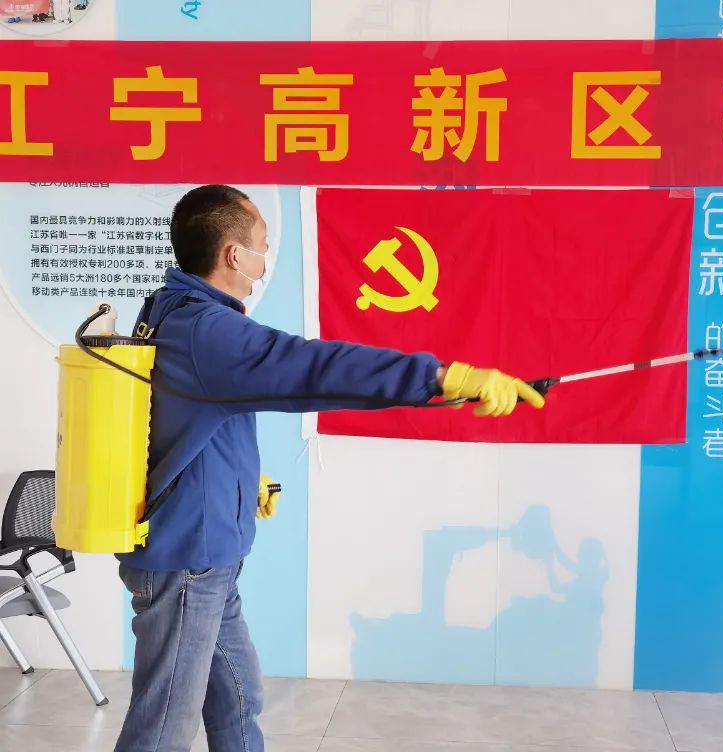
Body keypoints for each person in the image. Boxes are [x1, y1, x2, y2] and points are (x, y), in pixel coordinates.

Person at [112, 184, 544, 752]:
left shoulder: (177, 313)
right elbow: (315, 367)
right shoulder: (207, 331)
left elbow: (180, 417)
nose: (266, 256)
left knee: (238, 702)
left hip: (207, 551)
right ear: (234, 255)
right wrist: (442, 377)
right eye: (262, 243)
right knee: (163, 730)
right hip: (188, 561)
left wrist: (238, 482)